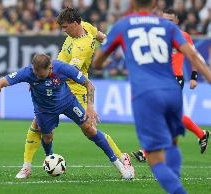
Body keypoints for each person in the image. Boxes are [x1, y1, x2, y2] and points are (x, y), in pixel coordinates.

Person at [92, 0, 211, 193]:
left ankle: (163, 170)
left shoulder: (123, 25)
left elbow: (97, 63)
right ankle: (186, 145)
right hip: (170, 88)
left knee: (155, 159)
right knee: (170, 137)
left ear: (132, 4)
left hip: (146, 91)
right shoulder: (168, 28)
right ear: (155, 4)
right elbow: (194, 56)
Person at [17, 8, 134, 179]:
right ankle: (27, 166)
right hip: (58, 82)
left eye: (65, 27)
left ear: (74, 23)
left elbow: (70, 71)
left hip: (73, 88)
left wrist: (43, 81)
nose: (64, 30)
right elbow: (102, 37)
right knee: (38, 124)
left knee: (90, 130)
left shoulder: (83, 47)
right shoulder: (86, 26)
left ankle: (122, 157)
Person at [0, 54, 134, 180]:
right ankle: (49, 160)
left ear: (50, 68)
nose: (38, 77)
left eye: (41, 75)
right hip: (44, 111)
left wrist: (90, 106)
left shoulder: (62, 68)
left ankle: (120, 167)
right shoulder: (28, 73)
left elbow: (89, 85)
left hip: (68, 103)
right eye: (36, 74)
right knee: (47, 138)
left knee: (89, 129)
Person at [131, 8, 210, 162]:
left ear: (177, 21)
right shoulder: (156, 35)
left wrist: (194, 77)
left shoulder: (183, 36)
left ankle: (146, 152)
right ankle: (201, 134)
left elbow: (194, 57)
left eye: (170, 20)